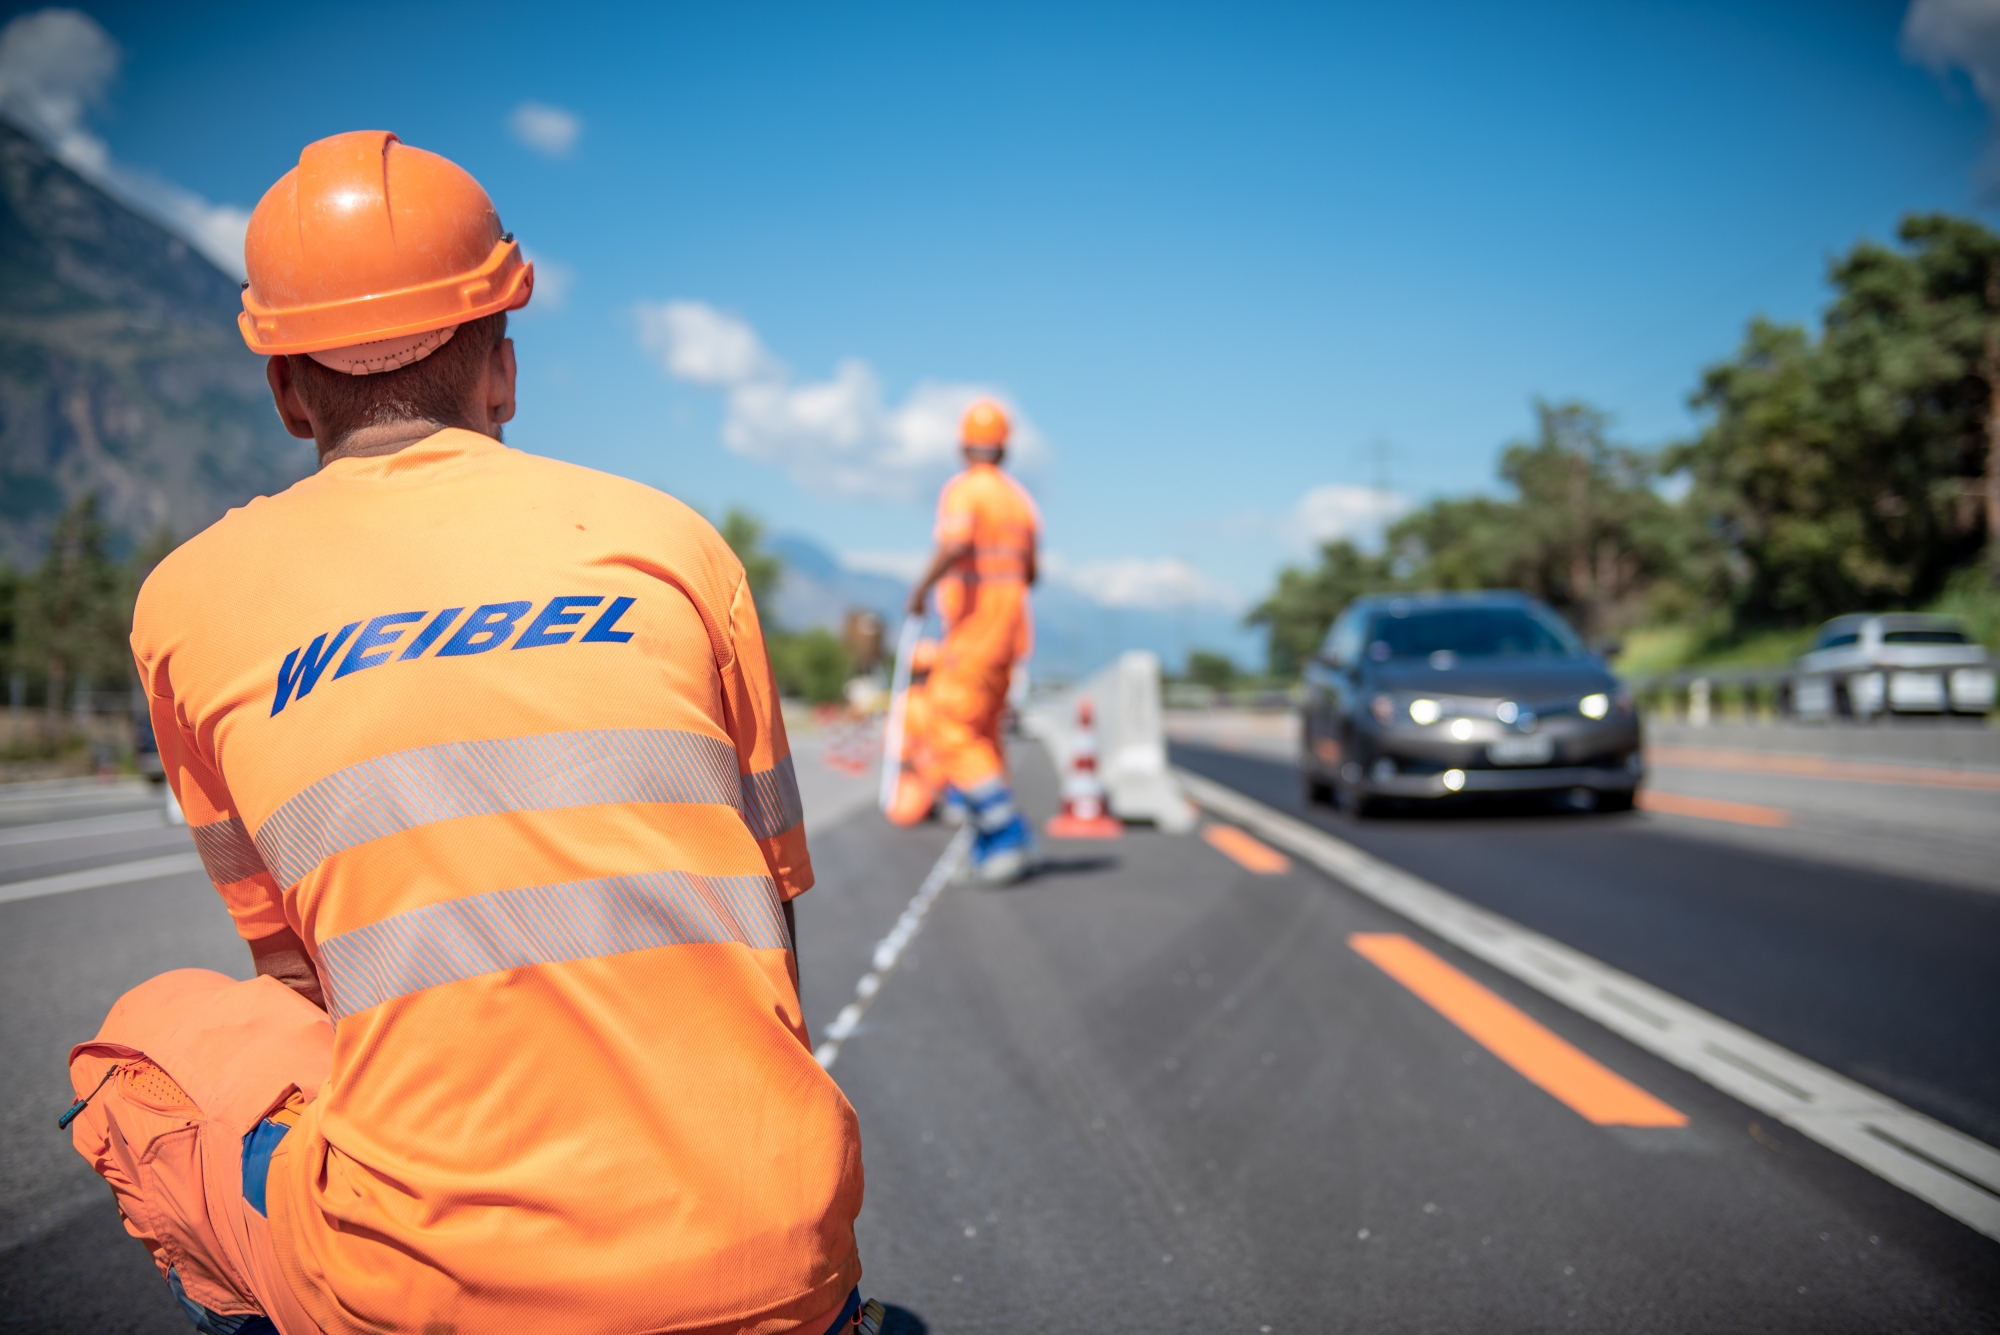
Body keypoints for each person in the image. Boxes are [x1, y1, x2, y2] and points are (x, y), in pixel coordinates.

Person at [63, 131, 874, 1335]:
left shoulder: (185, 605)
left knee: (145, 1052)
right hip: (780, 1262)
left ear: (287, 391)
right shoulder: (672, 545)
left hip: (437, 1296)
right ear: (500, 367)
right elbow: (774, 914)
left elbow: (297, 979)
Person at [904, 400, 1041, 882]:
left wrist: (921, 591)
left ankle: (1007, 832)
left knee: (951, 729)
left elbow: (957, 543)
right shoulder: (1021, 502)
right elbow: (1031, 573)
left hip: (974, 635)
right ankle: (990, 847)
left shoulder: (964, 491)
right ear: (1004, 450)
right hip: (1010, 637)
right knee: (984, 735)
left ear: (964, 446)